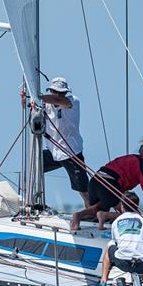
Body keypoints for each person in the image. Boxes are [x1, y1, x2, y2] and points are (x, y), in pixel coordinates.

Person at [70, 135, 143, 230]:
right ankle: (105, 215)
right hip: (109, 184)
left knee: (97, 208)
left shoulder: (130, 158)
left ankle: (78, 215)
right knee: (132, 214)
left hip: (95, 182)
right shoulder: (142, 165)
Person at [34, 77, 90, 207]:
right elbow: (32, 108)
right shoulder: (45, 104)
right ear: (51, 91)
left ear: (66, 93)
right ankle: (33, 202)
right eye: (55, 91)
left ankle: (93, 213)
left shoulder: (73, 102)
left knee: (83, 190)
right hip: (53, 151)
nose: (58, 94)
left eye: (61, 92)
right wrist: (26, 99)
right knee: (32, 167)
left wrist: (37, 97)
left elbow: (58, 100)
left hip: (71, 152)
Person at [96, 192, 143, 286]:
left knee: (110, 247)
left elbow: (117, 244)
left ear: (122, 206)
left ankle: (103, 281)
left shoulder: (116, 222)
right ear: (137, 205)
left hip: (123, 264)